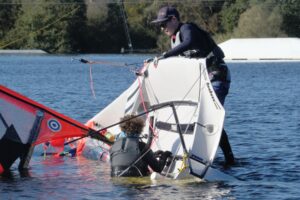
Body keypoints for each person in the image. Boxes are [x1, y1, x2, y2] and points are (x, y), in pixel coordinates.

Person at [151, 6, 235, 165]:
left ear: (174, 19)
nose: (162, 28)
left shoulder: (187, 29)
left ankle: (227, 160)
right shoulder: (174, 39)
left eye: (164, 24)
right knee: (198, 118)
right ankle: (224, 158)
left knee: (209, 117)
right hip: (202, 80)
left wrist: (165, 56)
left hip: (218, 76)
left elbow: (189, 42)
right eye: (159, 25)